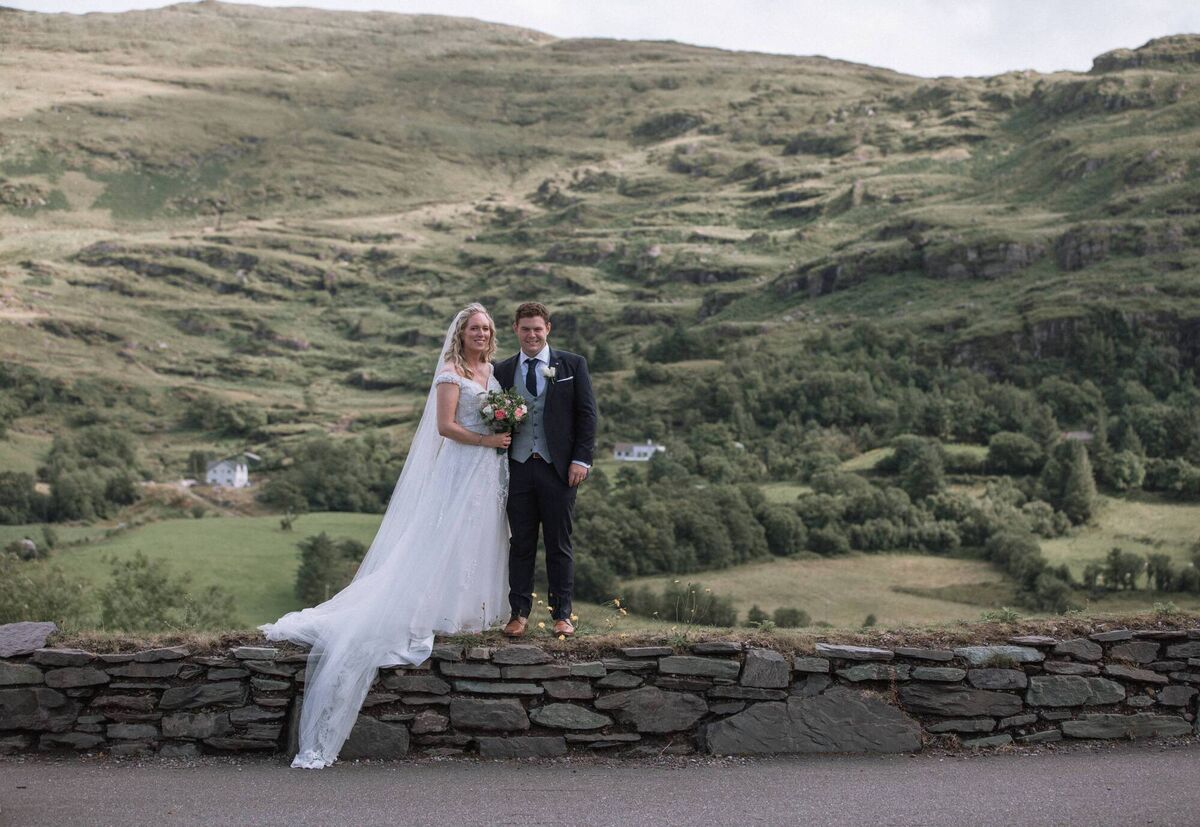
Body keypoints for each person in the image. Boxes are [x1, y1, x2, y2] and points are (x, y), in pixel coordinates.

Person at [260, 303, 511, 769]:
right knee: (443, 537)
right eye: (475, 328)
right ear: (461, 333)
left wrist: (502, 430)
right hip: (461, 465)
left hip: (488, 472)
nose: (481, 334)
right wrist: (487, 441)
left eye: (487, 329)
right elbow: (446, 427)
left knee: (477, 538)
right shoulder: (451, 373)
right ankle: (422, 608)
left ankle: (463, 610)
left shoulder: (491, 370)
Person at [494, 302, 597, 638]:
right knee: (520, 543)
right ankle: (518, 614)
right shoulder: (503, 370)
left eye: (537, 328)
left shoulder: (571, 364)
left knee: (559, 543)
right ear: (515, 330)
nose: (532, 334)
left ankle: (562, 615)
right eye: (525, 329)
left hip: (560, 469)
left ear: (548, 328)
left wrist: (581, 459)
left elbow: (587, 415)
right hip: (517, 468)